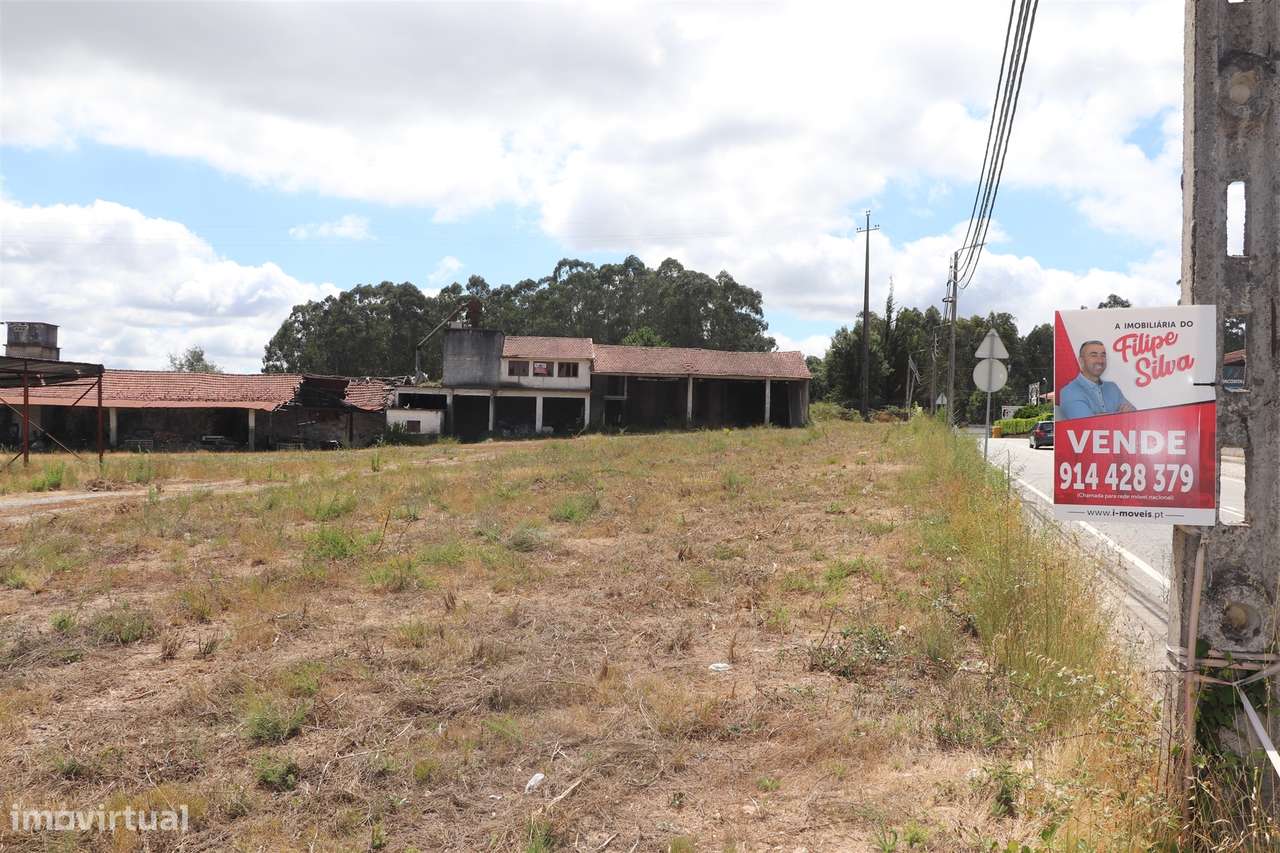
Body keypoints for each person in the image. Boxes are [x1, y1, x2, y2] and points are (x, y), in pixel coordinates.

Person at [1058, 339, 1136, 420]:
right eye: (1093, 355)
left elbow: (1135, 416)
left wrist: (1097, 415)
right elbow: (1087, 424)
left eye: (1103, 355)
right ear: (1081, 361)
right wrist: (1120, 415)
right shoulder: (1069, 391)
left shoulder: (1113, 387)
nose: (1100, 360)